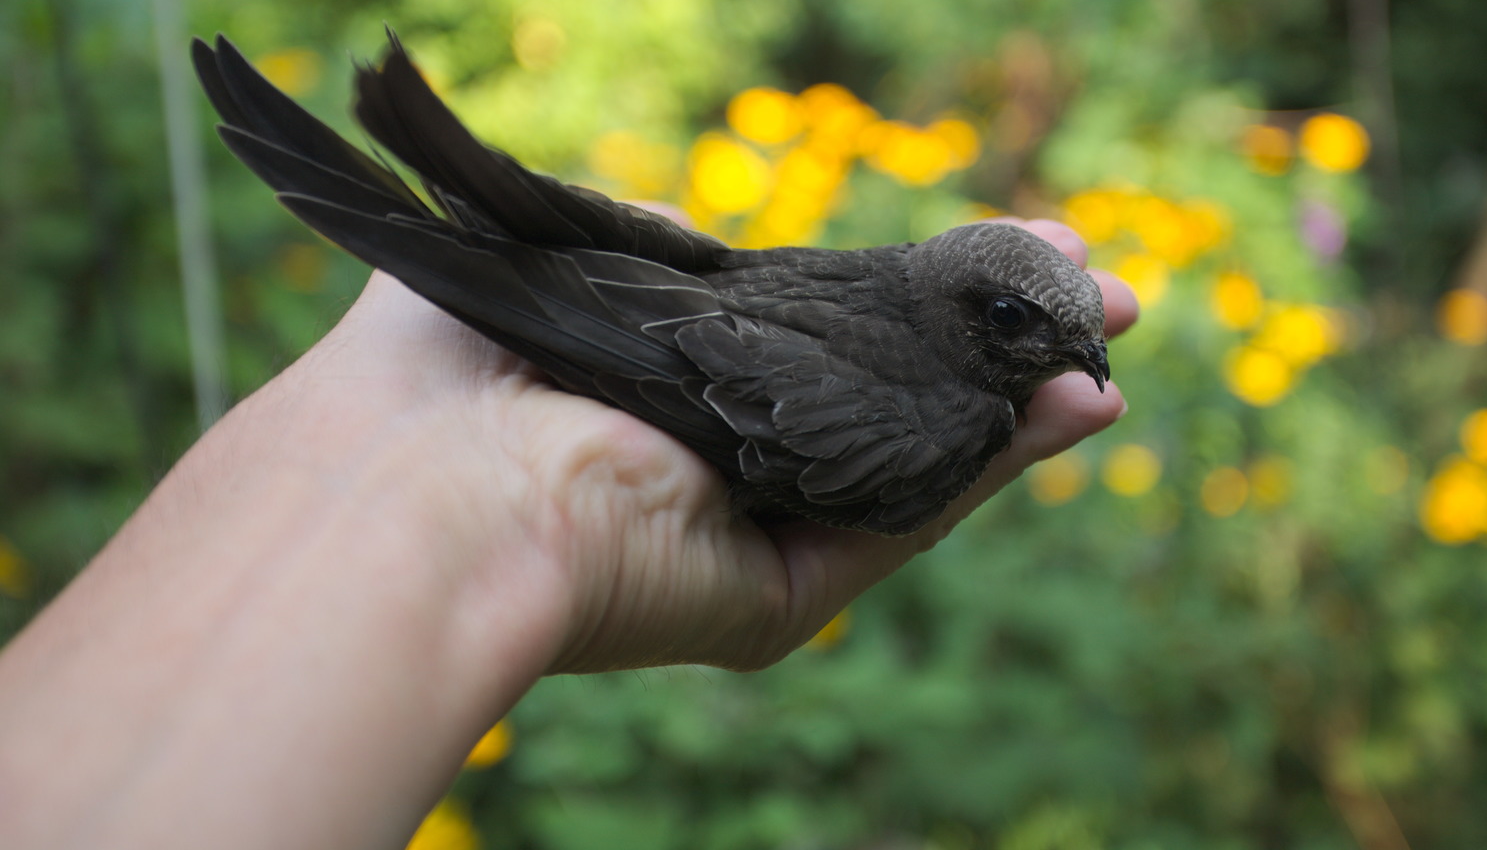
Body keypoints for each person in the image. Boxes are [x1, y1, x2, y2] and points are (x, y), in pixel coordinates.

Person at [0, 217, 1136, 850]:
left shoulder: (941, 359)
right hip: (688, 338)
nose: (1077, 362)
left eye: (1067, 341)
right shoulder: (937, 404)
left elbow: (724, 294)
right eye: (1018, 326)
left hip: (703, 318)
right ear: (958, 306)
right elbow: (712, 319)